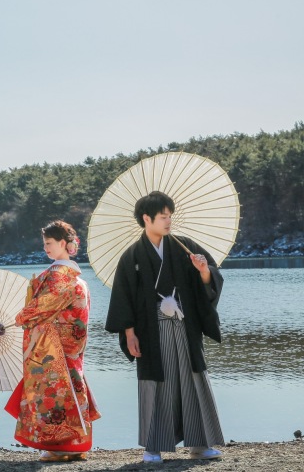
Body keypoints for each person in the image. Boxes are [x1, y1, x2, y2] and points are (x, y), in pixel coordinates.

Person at [105, 191, 225, 463]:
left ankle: (200, 444)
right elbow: (123, 296)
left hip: (184, 324)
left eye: (170, 216)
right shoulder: (132, 255)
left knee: (193, 379)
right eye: (163, 217)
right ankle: (153, 447)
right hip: (152, 330)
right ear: (147, 219)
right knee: (156, 384)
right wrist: (129, 334)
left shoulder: (184, 246)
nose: (169, 221)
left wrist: (204, 271)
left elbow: (211, 277)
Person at [5, 220, 101, 462]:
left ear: (63, 243)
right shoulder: (75, 276)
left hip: (55, 343)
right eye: (44, 244)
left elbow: (44, 304)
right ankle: (76, 444)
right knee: (73, 385)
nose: (46, 248)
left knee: (55, 391)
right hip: (72, 342)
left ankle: (59, 446)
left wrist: (21, 317)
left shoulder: (59, 275)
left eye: (49, 243)